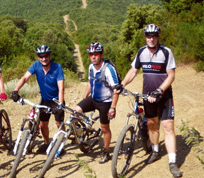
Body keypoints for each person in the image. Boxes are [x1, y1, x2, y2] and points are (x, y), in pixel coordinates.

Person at [121, 24, 182, 177]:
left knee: (168, 127)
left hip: (164, 96)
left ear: (158, 36)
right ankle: (155, 151)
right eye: (148, 36)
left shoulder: (166, 52)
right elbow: (133, 70)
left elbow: (171, 75)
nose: (151, 38)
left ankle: (173, 162)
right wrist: (121, 84)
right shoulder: (141, 52)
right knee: (152, 125)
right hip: (147, 96)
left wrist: (159, 90)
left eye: (154, 36)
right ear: (145, 37)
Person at [11, 45, 65, 154]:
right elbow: (25, 78)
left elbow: (61, 88)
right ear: (38, 57)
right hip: (45, 100)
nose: (43, 58)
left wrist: (60, 104)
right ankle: (46, 143)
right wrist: (15, 90)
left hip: (56, 100)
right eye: (41, 56)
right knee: (43, 124)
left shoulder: (57, 67)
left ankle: (61, 143)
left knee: (59, 124)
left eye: (46, 56)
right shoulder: (36, 65)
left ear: (49, 56)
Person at [74, 42, 121, 164]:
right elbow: (90, 83)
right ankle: (83, 133)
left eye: (96, 54)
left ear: (101, 54)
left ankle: (106, 152)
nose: (93, 56)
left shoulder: (108, 69)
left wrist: (113, 108)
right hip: (93, 98)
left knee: (105, 128)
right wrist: (84, 98)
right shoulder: (90, 67)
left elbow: (117, 89)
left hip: (105, 102)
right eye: (91, 54)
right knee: (74, 113)